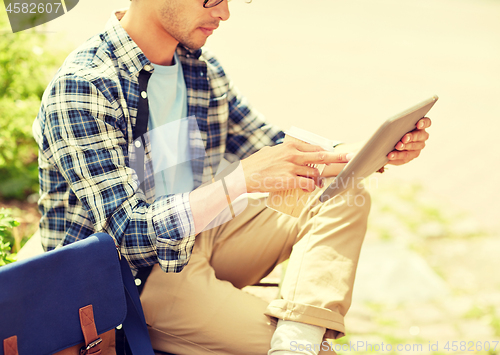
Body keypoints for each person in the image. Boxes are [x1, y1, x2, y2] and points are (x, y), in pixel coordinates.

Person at [32, 0, 432, 354]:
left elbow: (277, 149)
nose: (224, 13)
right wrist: (239, 181)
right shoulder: (85, 86)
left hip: (203, 237)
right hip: (137, 280)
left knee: (345, 190)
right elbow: (130, 235)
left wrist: (372, 152)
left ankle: (299, 337)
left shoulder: (199, 68)